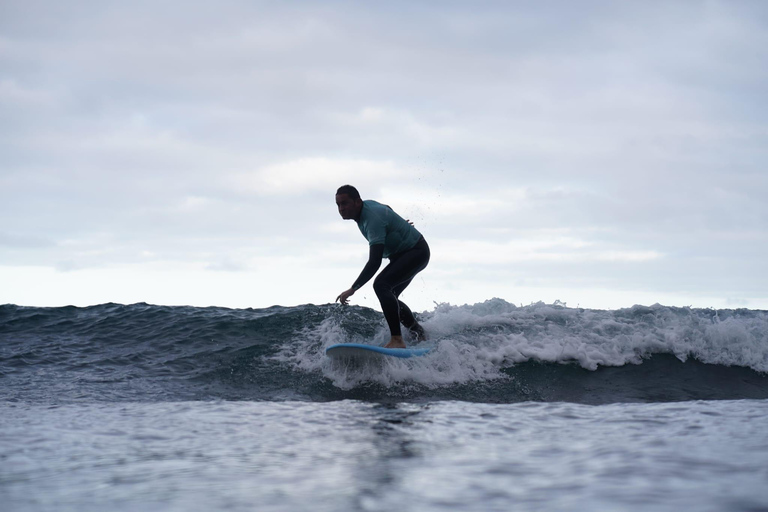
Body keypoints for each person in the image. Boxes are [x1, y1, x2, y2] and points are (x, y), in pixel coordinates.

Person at [335, 185, 430, 349]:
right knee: (390, 295)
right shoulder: (367, 207)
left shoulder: (372, 221)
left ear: (357, 202)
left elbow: (374, 262)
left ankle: (397, 340)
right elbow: (387, 209)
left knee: (381, 285)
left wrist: (353, 288)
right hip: (407, 253)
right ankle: (419, 334)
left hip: (416, 252)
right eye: (338, 205)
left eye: (345, 203)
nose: (341, 209)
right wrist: (398, 223)